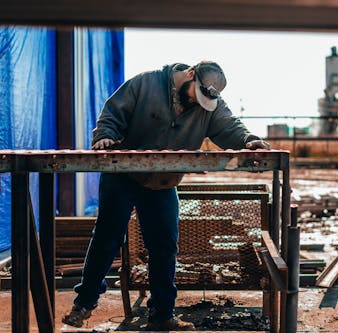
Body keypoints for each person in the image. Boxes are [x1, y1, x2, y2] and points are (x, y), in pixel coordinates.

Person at [62, 61, 270, 330]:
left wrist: (248, 140)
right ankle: (84, 304)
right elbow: (113, 113)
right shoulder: (145, 83)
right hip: (122, 174)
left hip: (162, 181)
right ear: (190, 75)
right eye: (198, 95)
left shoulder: (209, 103)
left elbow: (229, 126)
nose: (200, 103)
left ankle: (162, 315)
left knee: (164, 245)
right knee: (108, 237)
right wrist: (105, 136)